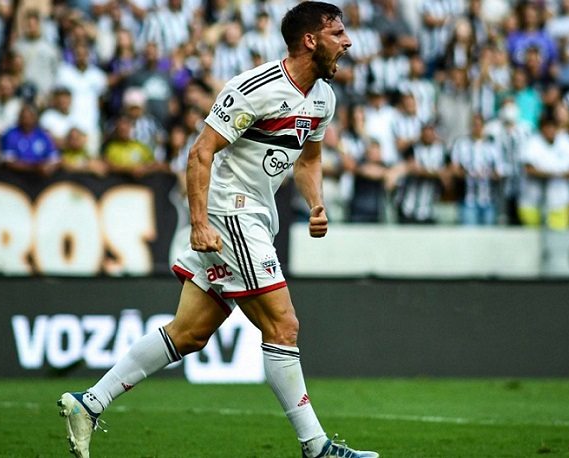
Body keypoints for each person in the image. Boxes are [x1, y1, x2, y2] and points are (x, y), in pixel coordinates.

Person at [57, 3, 379, 458]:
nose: (347, 42)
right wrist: (200, 222)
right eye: (338, 33)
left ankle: (87, 404)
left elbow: (308, 159)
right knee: (283, 325)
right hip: (231, 214)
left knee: (189, 333)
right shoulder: (254, 88)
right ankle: (317, 447)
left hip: (258, 216)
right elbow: (199, 152)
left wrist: (317, 203)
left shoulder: (323, 98)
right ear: (311, 39)